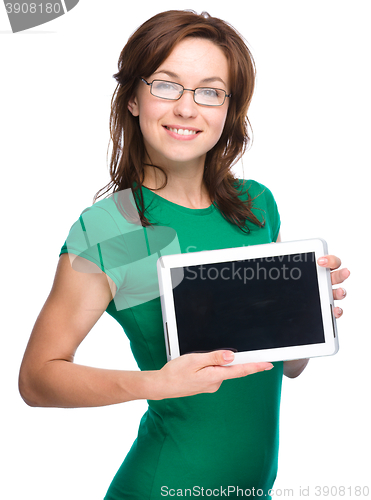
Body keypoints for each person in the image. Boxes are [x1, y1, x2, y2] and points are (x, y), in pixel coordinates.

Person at [18, 10, 350, 500]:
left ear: (228, 109)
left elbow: (288, 367)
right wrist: (156, 383)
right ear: (133, 97)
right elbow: (38, 379)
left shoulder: (257, 207)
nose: (187, 108)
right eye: (167, 85)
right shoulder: (113, 228)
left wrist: (306, 315)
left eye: (210, 91)